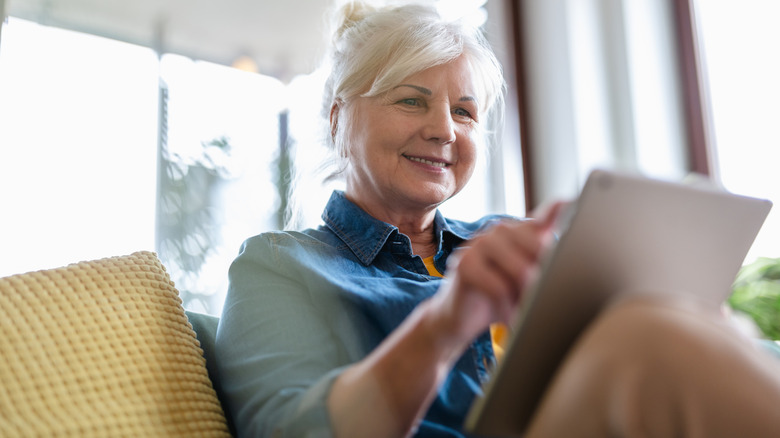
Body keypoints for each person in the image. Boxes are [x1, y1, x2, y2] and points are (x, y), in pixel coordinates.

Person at [215, 2, 780, 437]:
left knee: (684, 326)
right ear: (338, 119)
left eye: (464, 111)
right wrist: (445, 325)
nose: (444, 129)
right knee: (651, 338)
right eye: (412, 100)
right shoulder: (280, 266)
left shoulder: (508, 240)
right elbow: (291, 430)